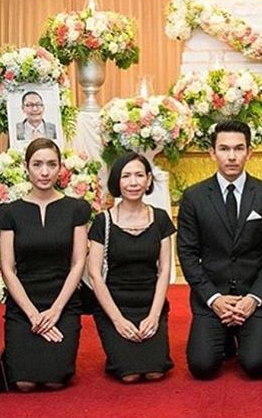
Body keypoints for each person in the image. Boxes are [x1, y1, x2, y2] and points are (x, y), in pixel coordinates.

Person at [177, 120, 262, 380]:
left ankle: (238, 336)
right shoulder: (194, 197)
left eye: (239, 148)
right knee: (202, 367)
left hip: (253, 297)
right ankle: (225, 337)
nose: (232, 156)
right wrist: (214, 298)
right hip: (212, 297)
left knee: (257, 366)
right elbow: (188, 255)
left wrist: (254, 298)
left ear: (250, 152)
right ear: (212, 153)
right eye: (224, 149)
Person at [0, 138, 91, 391]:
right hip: (23, 303)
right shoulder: (9, 212)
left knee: (54, 381)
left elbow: (78, 262)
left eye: (51, 164)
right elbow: (7, 268)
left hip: (63, 301)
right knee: (24, 383)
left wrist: (55, 311)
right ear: (26, 167)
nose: (45, 172)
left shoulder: (76, 209)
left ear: (61, 168)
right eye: (37, 164)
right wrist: (33, 315)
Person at [87, 152, 174, 382]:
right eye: (126, 176)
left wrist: (154, 315)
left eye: (139, 175)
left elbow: (165, 270)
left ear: (148, 180)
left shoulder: (161, 218)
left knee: (156, 372)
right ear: (117, 181)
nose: (133, 182)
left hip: (149, 302)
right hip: (114, 304)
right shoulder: (103, 221)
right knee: (130, 375)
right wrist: (118, 320)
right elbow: (94, 274)